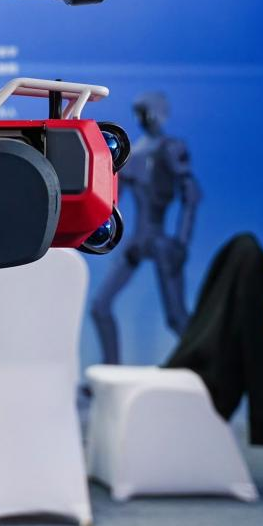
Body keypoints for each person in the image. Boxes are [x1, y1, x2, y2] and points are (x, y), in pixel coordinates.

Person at [90, 91, 200, 365]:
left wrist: (181, 242)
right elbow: (112, 199)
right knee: (100, 306)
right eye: (139, 112)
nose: (142, 118)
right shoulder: (134, 152)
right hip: (138, 240)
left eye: (146, 112)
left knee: (177, 317)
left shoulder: (171, 148)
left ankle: (207, 371)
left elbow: (191, 194)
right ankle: (111, 370)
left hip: (161, 240)